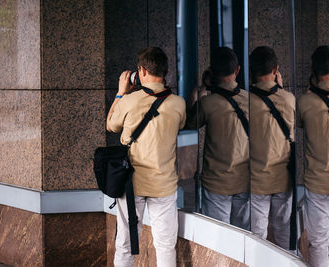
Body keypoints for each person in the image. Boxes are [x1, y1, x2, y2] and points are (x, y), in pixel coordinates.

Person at [106, 47, 186, 267]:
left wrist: (121, 91)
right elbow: (180, 123)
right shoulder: (178, 104)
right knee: (165, 245)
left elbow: (111, 124)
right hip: (164, 184)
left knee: (125, 243)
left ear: (141, 71)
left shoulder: (129, 101)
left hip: (132, 184)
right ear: (166, 71)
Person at [187, 47, 250, 229]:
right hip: (244, 180)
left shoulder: (207, 103)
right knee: (244, 239)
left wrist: (201, 89)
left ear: (212, 71)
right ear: (237, 70)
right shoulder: (250, 101)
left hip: (215, 184)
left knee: (219, 241)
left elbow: (189, 123)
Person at [249, 46, 295, 250]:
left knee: (257, 236)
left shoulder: (245, 101)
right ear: (276, 69)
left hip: (257, 179)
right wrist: (281, 89)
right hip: (283, 177)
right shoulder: (289, 99)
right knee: (285, 233)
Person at [297, 45, 329, 267]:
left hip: (318, 180)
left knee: (319, 243)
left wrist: (310, 90)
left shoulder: (305, 101)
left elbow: (299, 124)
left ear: (313, 69)